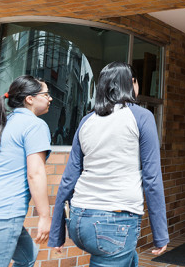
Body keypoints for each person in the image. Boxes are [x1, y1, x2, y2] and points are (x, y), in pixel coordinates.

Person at [48, 62, 169, 266]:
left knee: (128, 258)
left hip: (79, 219)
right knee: (116, 250)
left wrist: (57, 232)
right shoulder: (141, 117)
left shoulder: (87, 120)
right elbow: (152, 178)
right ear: (132, 83)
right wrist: (161, 234)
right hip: (115, 222)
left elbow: (69, 179)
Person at [0, 75, 53, 267]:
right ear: (29, 99)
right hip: (0, 216)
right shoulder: (35, 125)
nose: (50, 98)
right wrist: (45, 217)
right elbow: (35, 173)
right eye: (46, 94)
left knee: (27, 256)